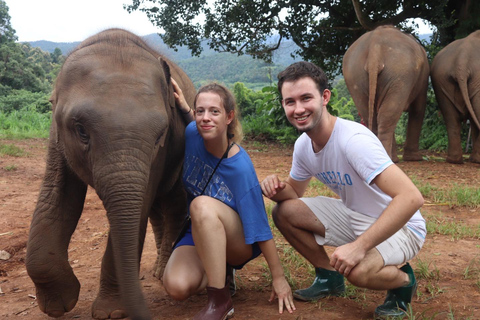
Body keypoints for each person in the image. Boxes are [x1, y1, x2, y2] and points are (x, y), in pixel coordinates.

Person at [260, 61, 426, 319]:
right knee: (284, 211)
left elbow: (411, 197)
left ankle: (404, 282)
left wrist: (359, 247)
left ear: (325, 97)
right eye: (289, 101)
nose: (298, 109)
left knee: (359, 272)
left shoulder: (353, 141)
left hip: (403, 226)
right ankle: (329, 277)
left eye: (306, 98)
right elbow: (294, 192)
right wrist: (275, 187)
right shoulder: (304, 145)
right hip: (355, 214)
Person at [163, 78, 295, 320]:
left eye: (215, 111)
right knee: (176, 287)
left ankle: (220, 301)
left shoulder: (240, 167)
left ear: (229, 117)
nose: (205, 118)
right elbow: (195, 119)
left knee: (200, 204)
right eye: (201, 111)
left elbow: (260, 227)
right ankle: (219, 270)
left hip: (238, 240)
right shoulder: (193, 133)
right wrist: (183, 106)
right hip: (201, 231)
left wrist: (278, 277)